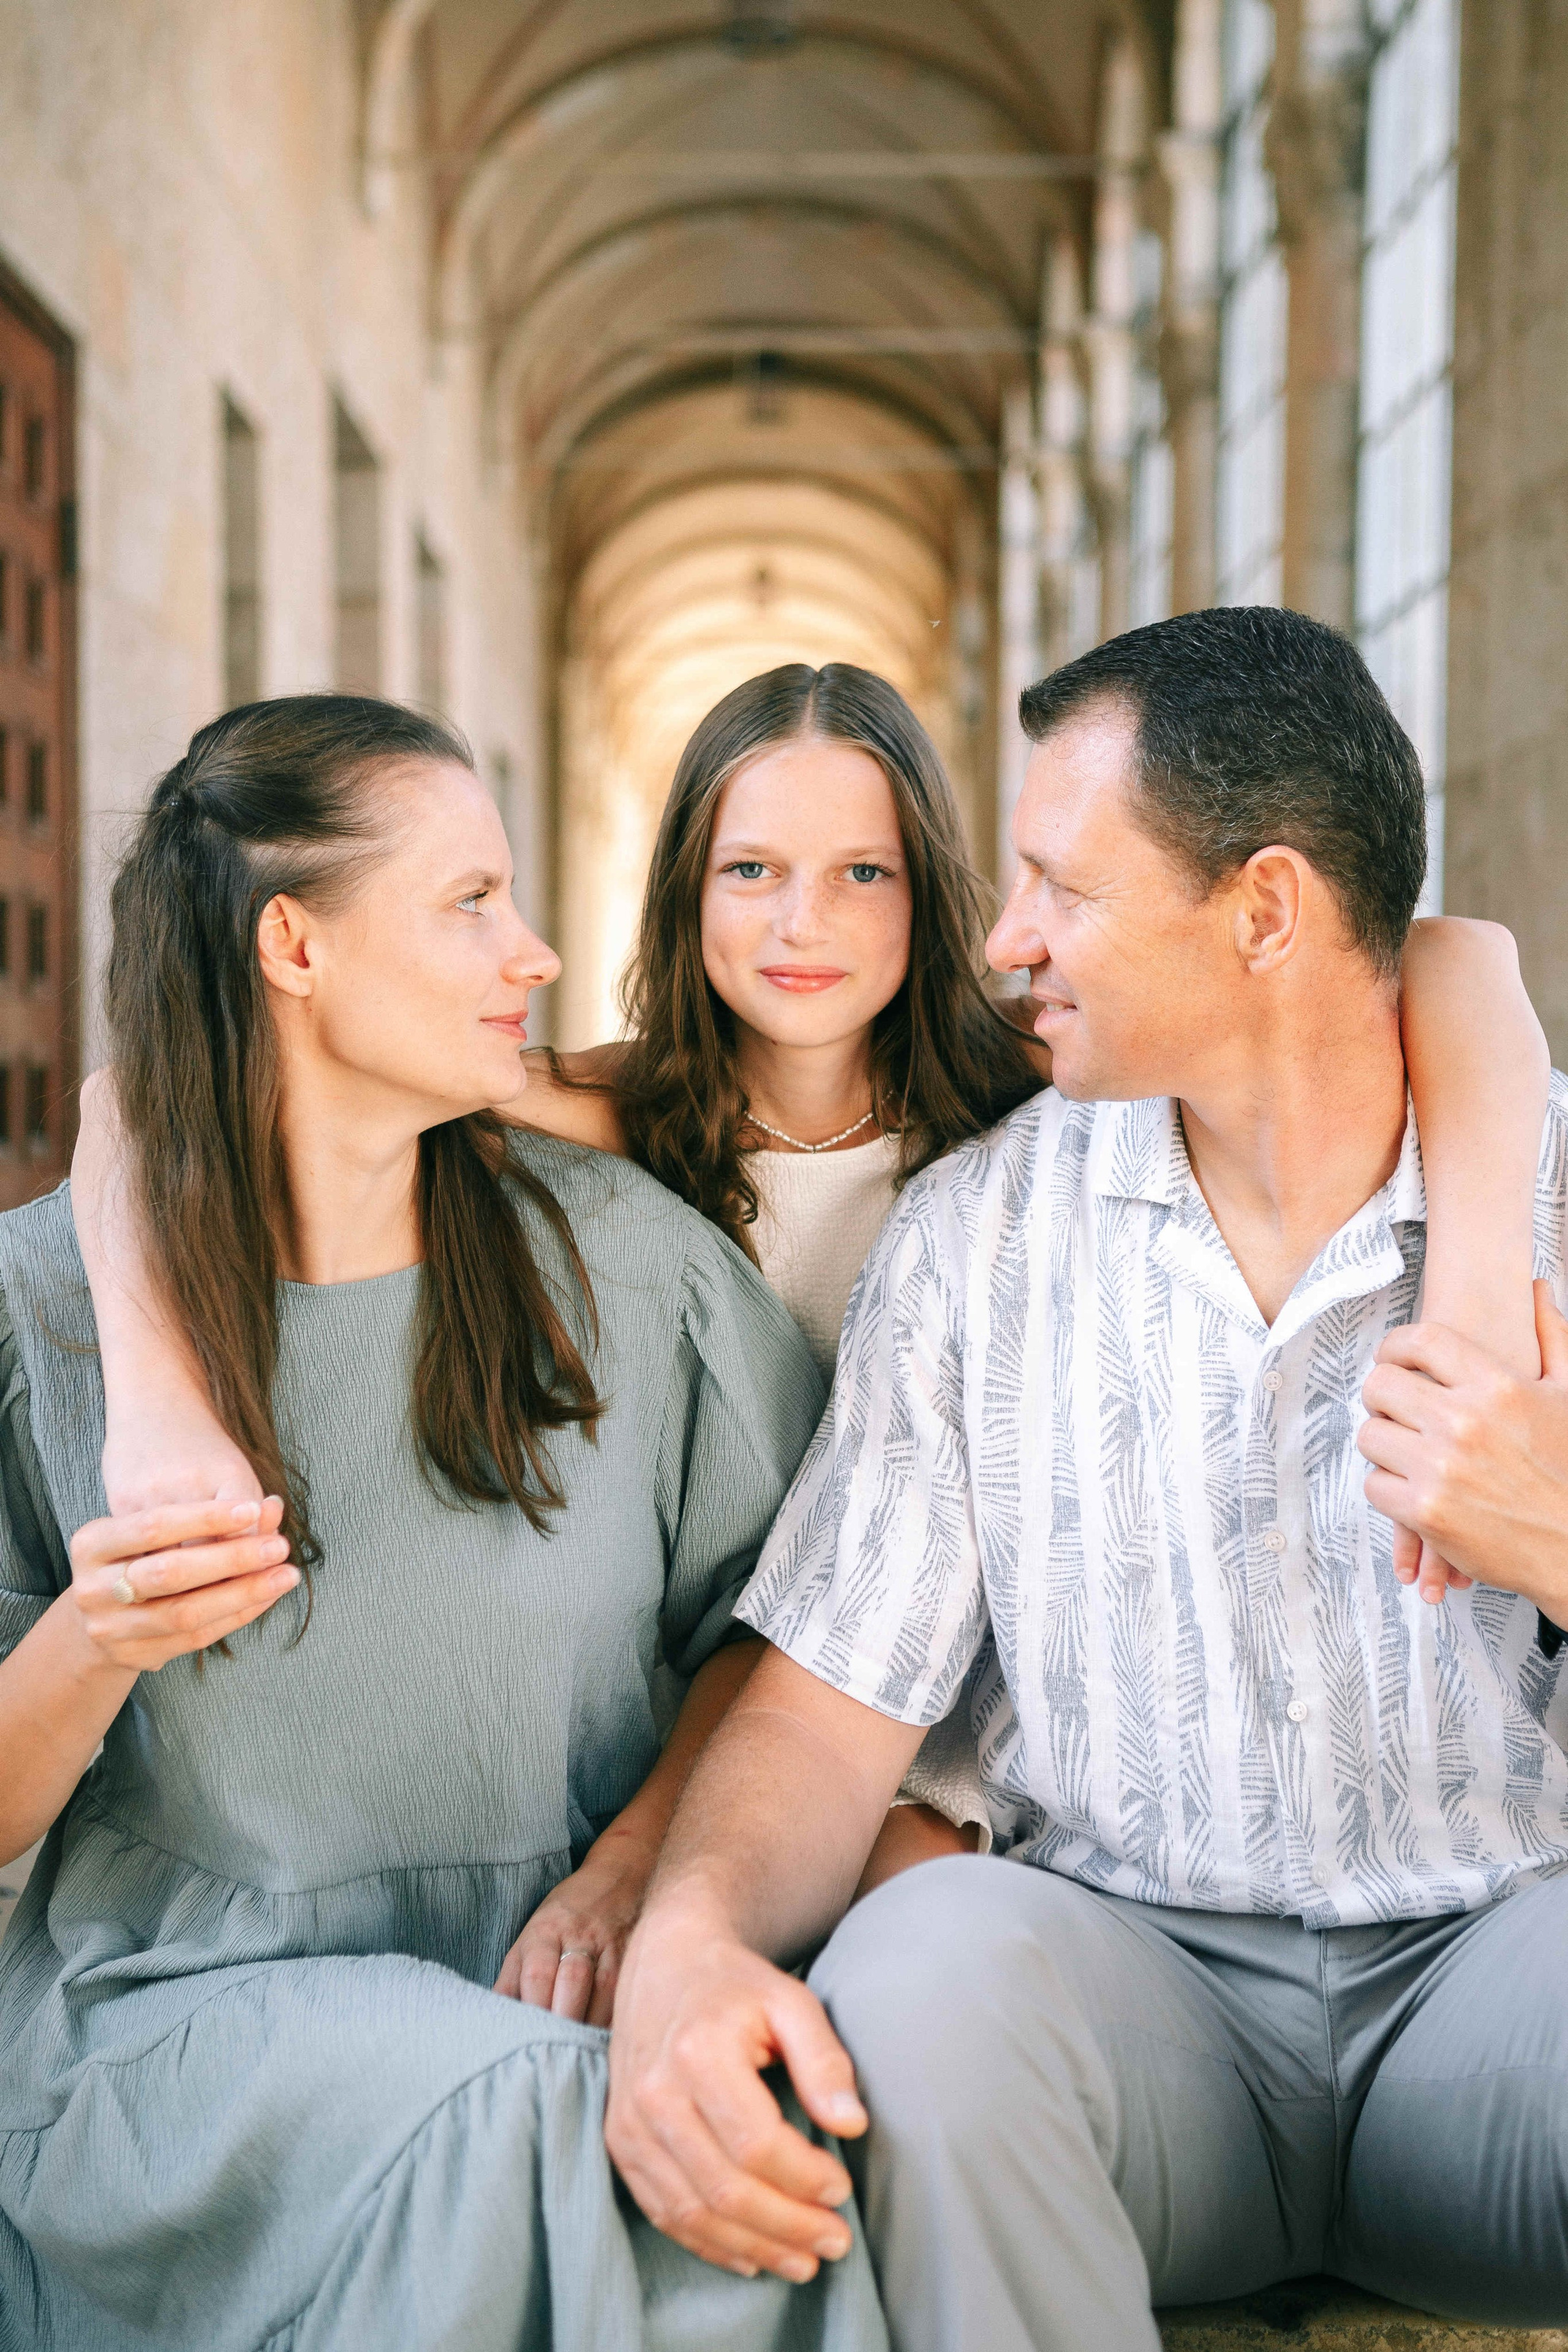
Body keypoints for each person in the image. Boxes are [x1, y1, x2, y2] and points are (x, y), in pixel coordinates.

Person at [67, 663, 1550, 1898]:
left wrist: (1473, 1288)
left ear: (927, 889)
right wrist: (149, 1399)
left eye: (862, 874)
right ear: (685, 888)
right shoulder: (602, 1111)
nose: (803, 925)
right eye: (751, 872)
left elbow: (1448, 956)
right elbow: (149, 1092)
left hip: (971, 1716)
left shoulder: (1033, 1087)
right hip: (726, 1707)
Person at [606, 607, 1568, 2349]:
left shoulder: (1543, 1205)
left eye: (1063, 885)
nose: (1004, 938)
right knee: (924, 1971)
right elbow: (827, 1711)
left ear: (1264, 909)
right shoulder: (978, 1236)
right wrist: (687, 1943)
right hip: (1144, 2014)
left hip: (1505, 1987)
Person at [0, 696, 888, 2351]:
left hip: (567, 1978)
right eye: (472, 901)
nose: (537, 952)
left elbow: (783, 1645)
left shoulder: (631, 1265)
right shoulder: (40, 1312)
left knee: (725, 2137)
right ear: (294, 943)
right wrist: (97, 1632)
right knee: (545, 2124)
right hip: (184, 2029)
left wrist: (645, 1884)